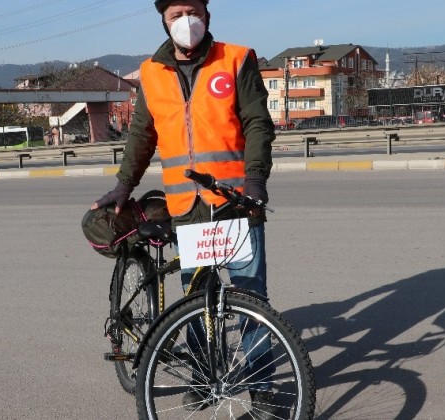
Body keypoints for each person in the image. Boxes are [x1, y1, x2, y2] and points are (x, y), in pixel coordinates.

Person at [92, 0, 276, 416]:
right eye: (176, 14)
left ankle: (262, 391)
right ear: (163, 20)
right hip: (186, 208)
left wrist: (257, 179)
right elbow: (142, 134)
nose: (185, 21)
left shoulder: (236, 59)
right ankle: (202, 374)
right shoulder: (151, 74)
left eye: (192, 10)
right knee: (195, 300)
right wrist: (124, 185)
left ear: (207, 15)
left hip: (236, 203)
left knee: (252, 300)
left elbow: (257, 123)